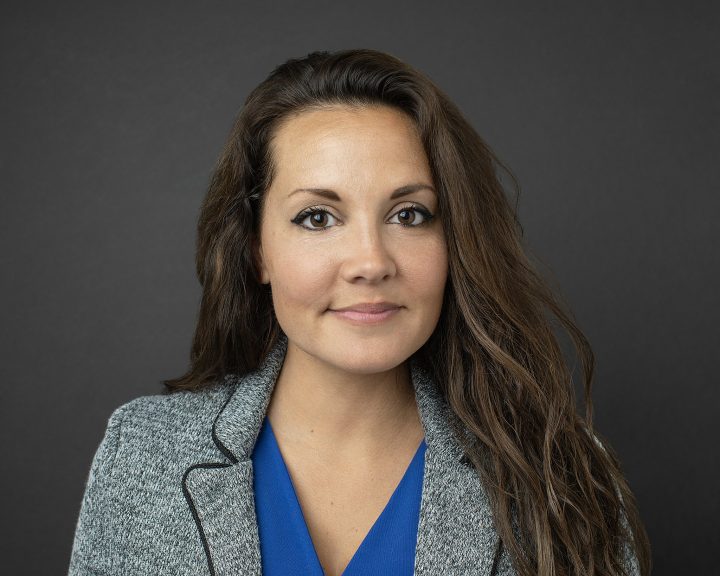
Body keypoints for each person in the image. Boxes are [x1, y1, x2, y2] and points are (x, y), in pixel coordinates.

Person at [68, 49, 651, 576]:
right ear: (256, 250)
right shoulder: (143, 454)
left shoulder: (564, 473)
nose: (371, 262)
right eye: (318, 218)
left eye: (410, 214)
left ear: (456, 241)